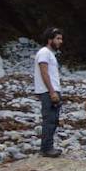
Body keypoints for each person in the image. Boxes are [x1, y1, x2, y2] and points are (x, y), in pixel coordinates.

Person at [34, 27, 65, 157]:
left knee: (53, 120)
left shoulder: (50, 54)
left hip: (51, 90)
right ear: (49, 39)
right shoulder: (44, 52)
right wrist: (52, 92)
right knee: (49, 120)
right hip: (48, 91)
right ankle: (46, 148)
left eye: (61, 39)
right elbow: (44, 72)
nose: (60, 41)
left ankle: (48, 146)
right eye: (58, 38)